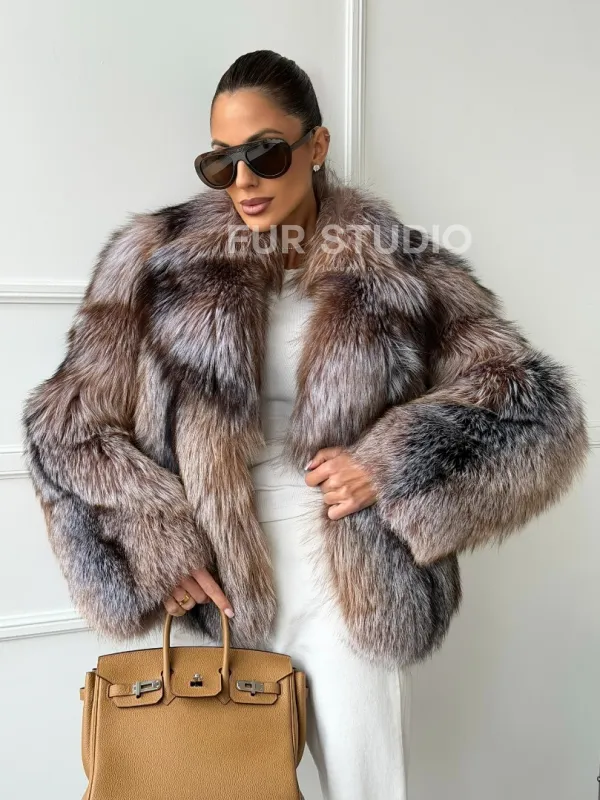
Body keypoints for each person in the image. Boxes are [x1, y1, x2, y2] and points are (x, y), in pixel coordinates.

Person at [21, 49, 589, 800]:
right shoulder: (154, 258)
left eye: (265, 153)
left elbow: (533, 404)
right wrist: (154, 542)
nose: (244, 180)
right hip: (218, 586)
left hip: (349, 581)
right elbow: (64, 428)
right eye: (221, 162)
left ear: (315, 145)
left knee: (367, 788)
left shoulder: (397, 267)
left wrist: (390, 462)